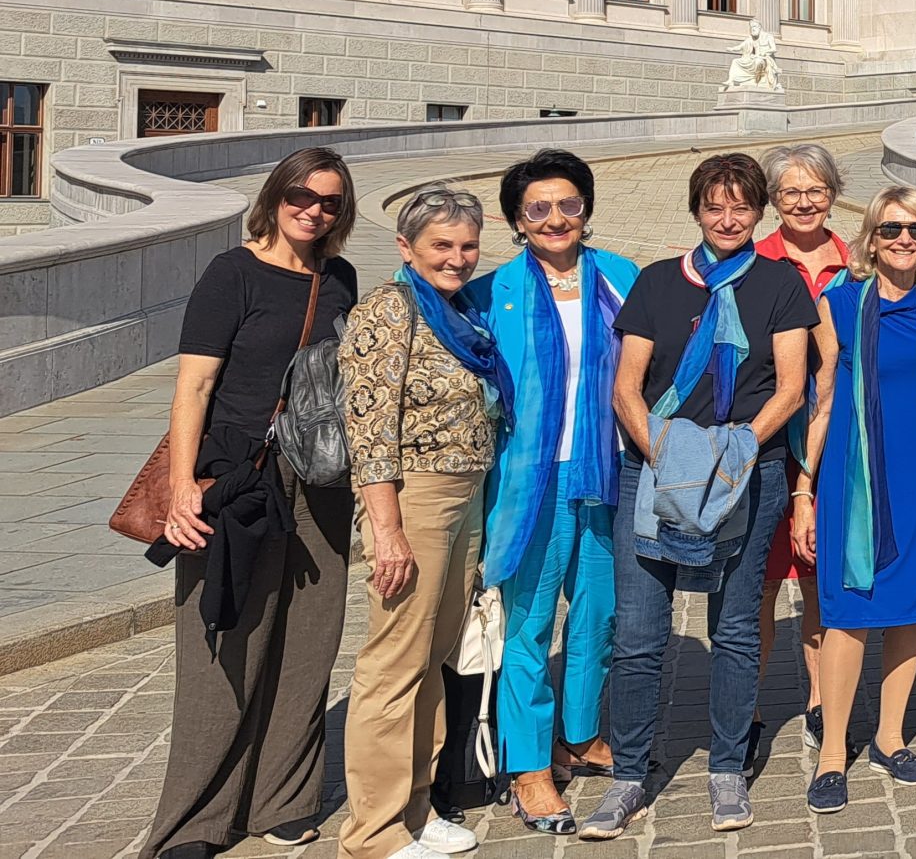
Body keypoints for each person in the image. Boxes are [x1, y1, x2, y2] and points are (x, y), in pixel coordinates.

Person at [581, 155, 815, 839]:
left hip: (750, 471)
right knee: (638, 632)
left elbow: (792, 387)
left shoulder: (780, 282)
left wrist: (734, 453)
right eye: (715, 206)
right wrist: (670, 455)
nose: (728, 218)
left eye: (741, 206)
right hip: (652, 471)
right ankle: (629, 774)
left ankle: (727, 767)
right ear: (697, 210)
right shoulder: (658, 282)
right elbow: (626, 387)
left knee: (737, 627)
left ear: (759, 212)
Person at [143, 148, 361, 859]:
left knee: (309, 639)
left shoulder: (339, 278)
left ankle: (283, 798)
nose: (314, 209)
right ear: (276, 196)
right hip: (238, 474)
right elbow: (193, 389)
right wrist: (183, 488)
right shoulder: (231, 272)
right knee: (224, 640)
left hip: (317, 479)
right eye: (302, 194)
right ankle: (196, 820)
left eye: (329, 200)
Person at [463, 151, 639, 834]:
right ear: (516, 220)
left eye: (569, 205)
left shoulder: (621, 278)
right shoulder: (491, 292)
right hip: (528, 480)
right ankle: (531, 768)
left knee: (599, 615)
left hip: (605, 470)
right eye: (538, 208)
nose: (556, 218)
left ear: (586, 210)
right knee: (530, 623)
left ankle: (582, 734)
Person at [336, 185, 498, 859]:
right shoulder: (388, 310)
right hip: (415, 499)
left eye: (466, 245)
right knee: (395, 662)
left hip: (464, 495)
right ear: (406, 247)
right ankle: (371, 831)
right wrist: (388, 529)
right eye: (441, 246)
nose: (456, 258)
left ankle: (417, 805)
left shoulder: (457, 312)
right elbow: (368, 432)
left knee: (433, 657)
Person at [796, 185, 916, 806]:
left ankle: (891, 737)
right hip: (854, 481)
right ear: (871, 239)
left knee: (912, 610)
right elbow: (819, 400)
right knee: (848, 615)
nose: (904, 240)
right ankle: (834, 751)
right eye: (892, 229)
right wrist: (803, 490)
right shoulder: (836, 304)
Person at [751, 143, 855, 757]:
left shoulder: (858, 260)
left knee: (818, 576)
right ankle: (752, 700)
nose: (804, 202)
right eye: (790, 191)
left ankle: (820, 699)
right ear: (773, 200)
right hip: (769, 436)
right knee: (759, 582)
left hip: (838, 436)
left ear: (834, 194)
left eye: (815, 190)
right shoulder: (755, 260)